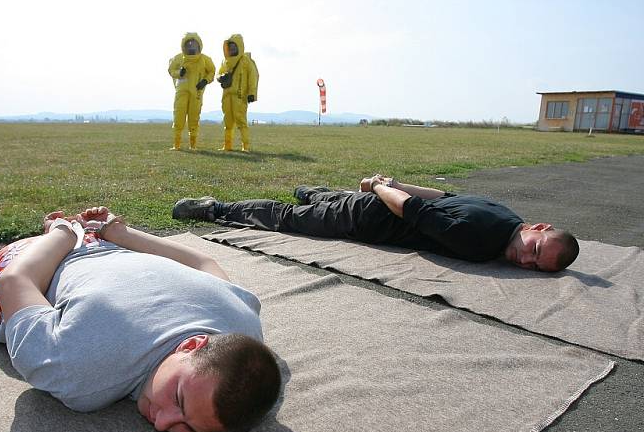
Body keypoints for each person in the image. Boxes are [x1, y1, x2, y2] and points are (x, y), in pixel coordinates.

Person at [0, 207, 281, 432]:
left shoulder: (244, 327)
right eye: (179, 399)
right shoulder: (82, 372)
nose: (165, 421)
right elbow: (14, 283)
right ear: (192, 346)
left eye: (189, 428)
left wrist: (117, 233)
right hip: (41, 261)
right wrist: (62, 236)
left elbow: (204, 261)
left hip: (112, 248)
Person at [172, 174, 580, 272]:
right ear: (539, 229)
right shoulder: (482, 240)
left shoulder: (505, 214)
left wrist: (389, 183)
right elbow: (412, 208)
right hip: (372, 218)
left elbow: (441, 196)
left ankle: (315, 192)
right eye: (534, 251)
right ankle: (217, 209)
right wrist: (386, 187)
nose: (525, 260)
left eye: (533, 265)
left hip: (375, 206)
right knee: (287, 220)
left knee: (334, 203)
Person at [168, 33, 216, 150]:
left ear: (199, 45)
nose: (191, 46)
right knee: (178, 116)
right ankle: (176, 144)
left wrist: (205, 80)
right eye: (188, 44)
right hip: (181, 92)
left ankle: (193, 145)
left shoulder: (204, 59)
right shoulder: (178, 58)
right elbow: (171, 70)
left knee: (194, 118)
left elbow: (212, 71)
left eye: (193, 44)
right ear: (184, 45)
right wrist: (180, 73)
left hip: (196, 93)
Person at [217, 34, 259, 152]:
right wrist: (220, 77)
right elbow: (218, 73)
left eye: (234, 46)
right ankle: (227, 145)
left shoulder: (245, 61)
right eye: (230, 47)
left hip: (240, 96)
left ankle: (245, 146)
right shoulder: (225, 61)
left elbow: (253, 76)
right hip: (227, 95)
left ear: (239, 46)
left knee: (241, 121)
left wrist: (252, 93)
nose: (232, 49)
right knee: (228, 121)